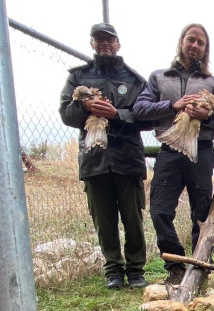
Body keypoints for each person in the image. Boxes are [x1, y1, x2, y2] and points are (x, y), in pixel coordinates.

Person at [132, 23, 214, 285]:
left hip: (201, 152)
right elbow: (139, 110)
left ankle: (199, 267)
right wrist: (172, 106)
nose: (195, 46)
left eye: (201, 43)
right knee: (159, 211)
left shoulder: (213, 82)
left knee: (201, 213)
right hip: (169, 151)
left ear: (205, 49)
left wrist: (208, 117)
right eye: (191, 40)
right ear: (181, 42)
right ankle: (176, 265)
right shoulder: (158, 77)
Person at [59, 23, 149, 290]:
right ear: (92, 43)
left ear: (118, 44)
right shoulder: (78, 77)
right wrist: (84, 106)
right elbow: (65, 113)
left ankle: (136, 271)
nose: (105, 44)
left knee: (133, 218)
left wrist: (116, 115)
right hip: (94, 159)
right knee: (104, 219)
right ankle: (113, 271)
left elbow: (145, 117)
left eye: (110, 40)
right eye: (99, 39)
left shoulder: (134, 80)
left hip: (127, 159)